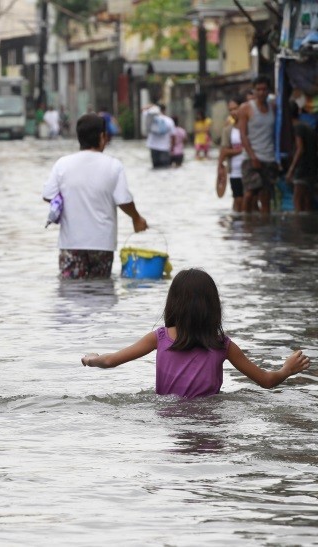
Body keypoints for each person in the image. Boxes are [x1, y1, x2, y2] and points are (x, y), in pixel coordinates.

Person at [81, 268, 311, 398]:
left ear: (173, 303)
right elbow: (266, 381)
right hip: (210, 417)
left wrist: (91, 359)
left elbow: (110, 361)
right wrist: (286, 370)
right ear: (213, 306)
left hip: (167, 417)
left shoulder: (159, 338)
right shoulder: (223, 345)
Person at [41, 113, 148, 279]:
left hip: (71, 243)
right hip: (102, 243)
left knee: (71, 294)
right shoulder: (113, 166)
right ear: (102, 136)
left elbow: (48, 195)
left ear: (79, 138)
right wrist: (136, 218)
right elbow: (124, 201)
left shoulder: (63, 164)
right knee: (100, 292)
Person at [236, 75, 278, 214]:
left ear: (268, 90)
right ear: (253, 91)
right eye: (258, 89)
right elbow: (243, 135)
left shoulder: (273, 107)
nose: (261, 92)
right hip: (251, 158)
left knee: (265, 196)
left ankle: (265, 228)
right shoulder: (246, 108)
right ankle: (246, 227)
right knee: (249, 193)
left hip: (269, 157)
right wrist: (253, 156)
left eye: (264, 89)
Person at [285, 100, 317, 212]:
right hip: (311, 169)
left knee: (297, 200)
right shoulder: (308, 127)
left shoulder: (297, 128)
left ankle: (298, 226)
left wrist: (291, 170)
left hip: (302, 169)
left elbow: (300, 149)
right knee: (307, 201)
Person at [216, 96, 246, 212]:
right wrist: (220, 169)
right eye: (230, 110)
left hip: (249, 171)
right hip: (235, 172)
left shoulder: (249, 127)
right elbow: (223, 151)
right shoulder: (228, 130)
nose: (233, 112)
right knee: (238, 200)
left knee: (248, 201)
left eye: (236, 108)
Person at [142, 103, 174, 168]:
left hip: (153, 147)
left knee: (155, 168)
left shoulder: (150, 117)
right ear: (165, 110)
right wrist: (172, 148)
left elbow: (143, 108)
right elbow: (173, 135)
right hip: (165, 147)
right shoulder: (169, 120)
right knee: (165, 168)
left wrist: (153, 105)